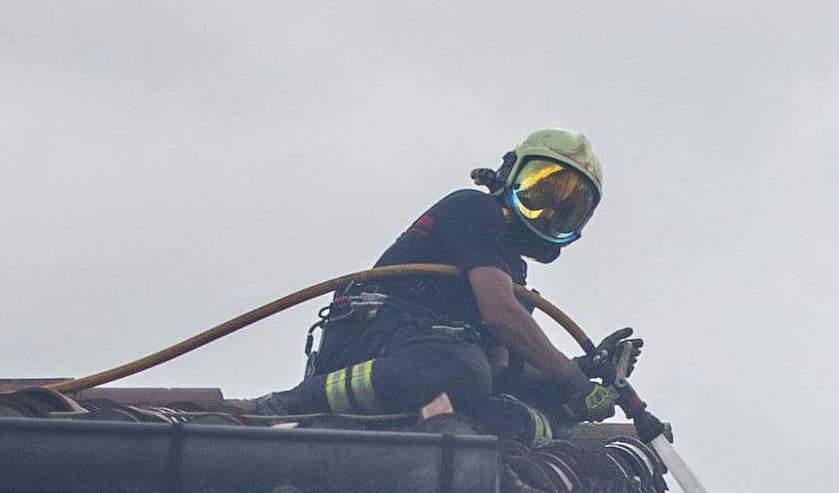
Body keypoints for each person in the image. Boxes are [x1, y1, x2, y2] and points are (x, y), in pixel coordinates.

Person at [264, 131, 631, 438]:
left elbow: (500, 367)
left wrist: (584, 369)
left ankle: (441, 422)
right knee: (463, 371)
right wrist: (574, 382)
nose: (548, 214)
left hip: (433, 361)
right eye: (538, 196)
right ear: (508, 175)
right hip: (372, 339)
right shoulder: (474, 210)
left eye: (565, 210)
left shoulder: (511, 272)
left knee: (543, 419)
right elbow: (500, 315)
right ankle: (293, 402)